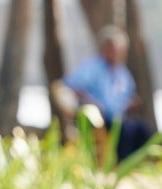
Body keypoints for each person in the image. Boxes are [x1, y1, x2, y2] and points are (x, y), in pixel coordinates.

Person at [57, 26, 152, 160]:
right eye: (111, 47)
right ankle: (115, 166)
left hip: (118, 117)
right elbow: (70, 86)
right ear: (104, 48)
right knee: (125, 131)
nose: (114, 52)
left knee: (142, 130)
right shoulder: (92, 67)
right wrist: (91, 102)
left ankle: (130, 166)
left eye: (118, 49)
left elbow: (128, 95)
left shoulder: (122, 72)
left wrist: (131, 103)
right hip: (98, 118)